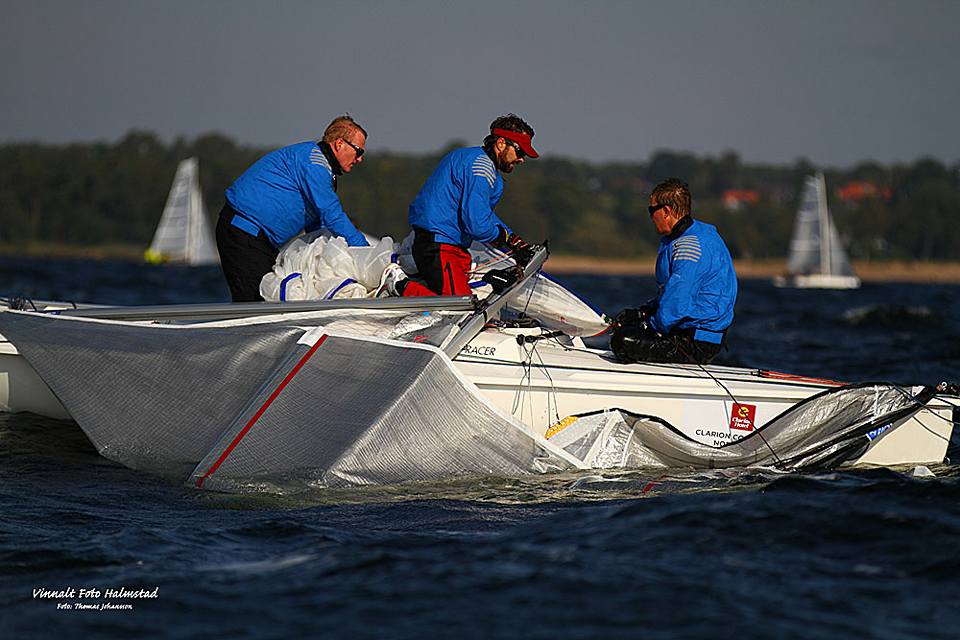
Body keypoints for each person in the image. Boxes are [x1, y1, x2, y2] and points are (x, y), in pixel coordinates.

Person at [381, 114, 539, 298]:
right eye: (520, 152)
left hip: (447, 245)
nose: (522, 159)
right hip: (439, 245)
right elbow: (477, 224)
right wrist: (505, 238)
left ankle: (416, 286)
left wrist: (513, 239)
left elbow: (483, 215)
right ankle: (399, 286)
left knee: (465, 303)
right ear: (501, 143)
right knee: (461, 304)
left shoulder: (472, 158)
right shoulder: (482, 168)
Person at [216, 115, 370, 302]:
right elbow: (332, 214)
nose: (360, 159)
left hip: (258, 240)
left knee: (268, 301)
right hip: (243, 232)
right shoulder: (315, 163)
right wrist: (366, 254)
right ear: (339, 144)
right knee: (256, 304)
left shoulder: (321, 167)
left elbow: (317, 226)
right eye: (358, 151)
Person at [611, 178, 737, 364]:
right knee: (627, 328)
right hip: (685, 331)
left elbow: (676, 305)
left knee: (622, 341)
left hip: (697, 342)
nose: (650, 216)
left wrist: (648, 326)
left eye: (651, 210)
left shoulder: (689, 246)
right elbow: (671, 293)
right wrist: (642, 313)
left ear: (666, 211)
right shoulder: (689, 235)